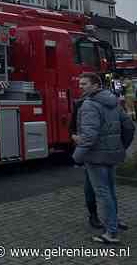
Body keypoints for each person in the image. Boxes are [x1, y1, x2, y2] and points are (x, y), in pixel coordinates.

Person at [73, 72, 135, 244]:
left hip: (95, 156)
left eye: (84, 84)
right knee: (110, 191)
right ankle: (114, 223)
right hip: (111, 155)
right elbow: (129, 127)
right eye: (80, 83)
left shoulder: (89, 105)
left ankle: (111, 233)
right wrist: (121, 146)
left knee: (102, 193)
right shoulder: (114, 102)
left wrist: (77, 156)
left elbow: (89, 137)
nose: (80, 86)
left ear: (95, 85)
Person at [69, 95, 101, 229]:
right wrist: (75, 138)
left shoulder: (109, 102)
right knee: (93, 186)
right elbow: (73, 128)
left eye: (84, 83)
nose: (81, 87)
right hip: (92, 153)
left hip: (103, 151)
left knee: (105, 188)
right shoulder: (80, 104)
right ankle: (94, 215)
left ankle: (109, 217)